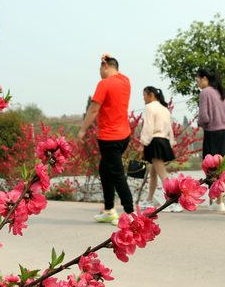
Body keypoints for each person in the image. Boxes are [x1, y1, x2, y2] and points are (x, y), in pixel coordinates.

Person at [77, 54, 133, 225]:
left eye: (100, 68)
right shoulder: (125, 81)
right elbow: (117, 70)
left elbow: (93, 109)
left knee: (116, 174)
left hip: (110, 138)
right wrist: (109, 59)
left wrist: (82, 130)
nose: (100, 72)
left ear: (106, 67)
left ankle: (130, 213)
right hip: (124, 136)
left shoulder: (104, 84)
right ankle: (109, 209)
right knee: (105, 169)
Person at [197, 68, 225, 214]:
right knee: (224, 165)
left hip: (212, 133)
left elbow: (204, 117)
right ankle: (219, 202)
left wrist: (200, 123)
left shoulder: (205, 92)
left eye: (198, 79)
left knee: (212, 167)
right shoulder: (223, 93)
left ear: (204, 78)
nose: (198, 83)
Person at [137, 86, 182, 213]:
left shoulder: (150, 107)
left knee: (163, 175)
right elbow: (169, 129)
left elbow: (148, 127)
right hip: (164, 141)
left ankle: (173, 201)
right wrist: (170, 143)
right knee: (153, 173)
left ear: (151, 95)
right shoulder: (165, 109)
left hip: (155, 141)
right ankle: (149, 199)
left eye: (144, 95)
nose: (143, 98)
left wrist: (142, 144)